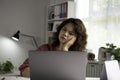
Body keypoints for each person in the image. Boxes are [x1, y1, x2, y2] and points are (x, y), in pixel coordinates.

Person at [19, 18, 87, 77]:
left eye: (71, 33)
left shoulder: (80, 56)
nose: (65, 34)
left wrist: (65, 49)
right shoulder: (44, 49)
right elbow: (24, 69)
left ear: (77, 38)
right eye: (64, 29)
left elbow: (72, 75)